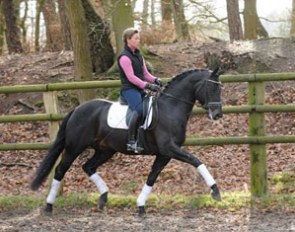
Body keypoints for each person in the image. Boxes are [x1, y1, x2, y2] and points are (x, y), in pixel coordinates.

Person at [118, 28, 162, 153]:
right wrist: (147, 86)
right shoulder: (124, 58)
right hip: (129, 90)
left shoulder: (138, 55)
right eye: (136, 38)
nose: (139, 40)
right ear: (128, 40)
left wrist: (155, 80)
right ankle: (131, 141)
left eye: (139, 38)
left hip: (140, 89)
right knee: (139, 109)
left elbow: (145, 74)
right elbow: (131, 77)